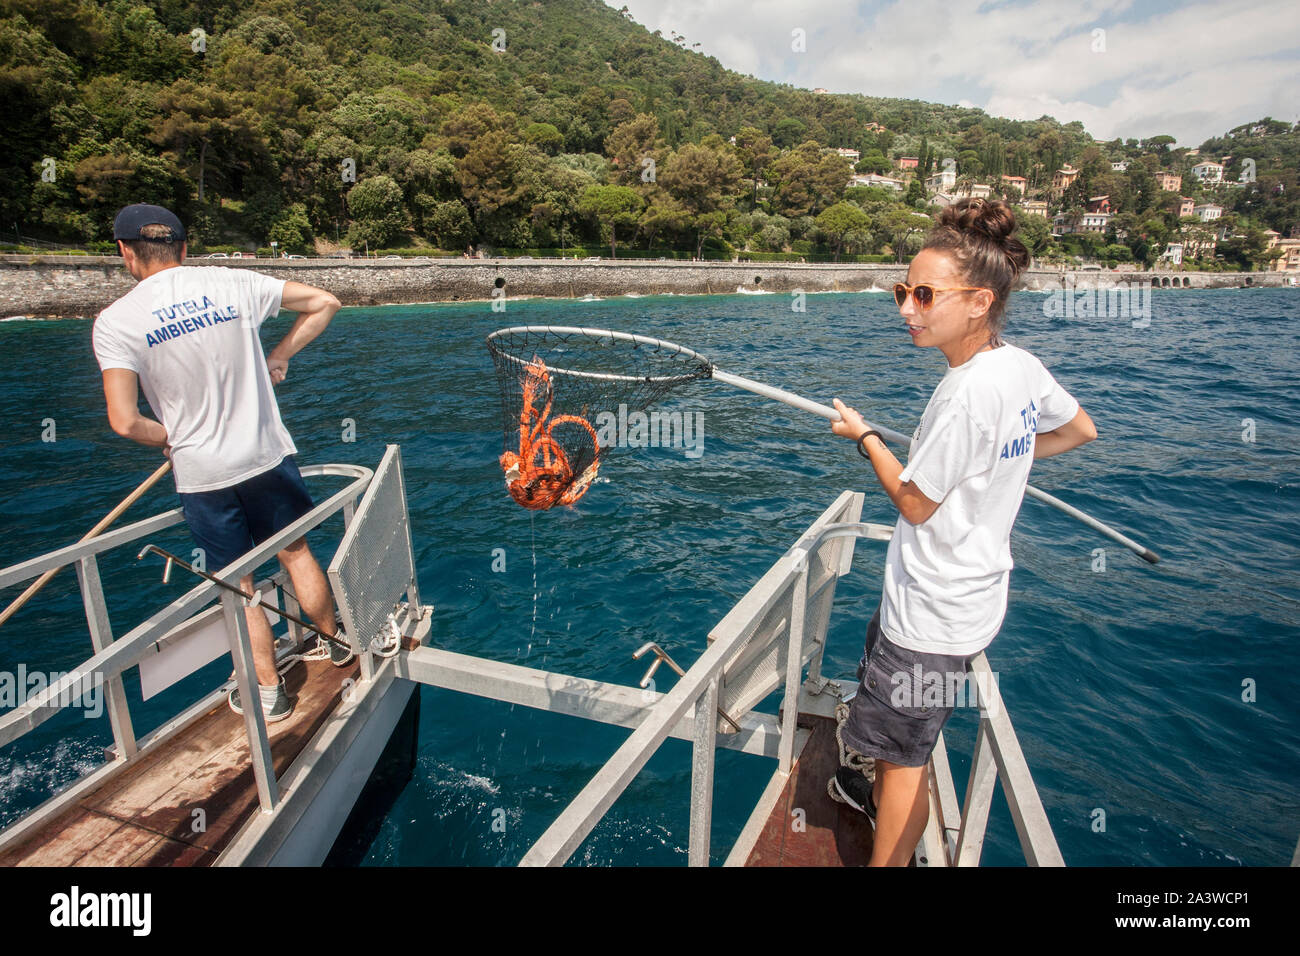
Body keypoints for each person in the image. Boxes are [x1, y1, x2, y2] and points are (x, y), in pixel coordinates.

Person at [827, 198, 1097, 865]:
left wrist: (864, 438)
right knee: (908, 750)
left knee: (899, 763)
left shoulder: (965, 393)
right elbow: (1076, 430)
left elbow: (916, 504)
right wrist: (995, 467)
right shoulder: (1020, 367)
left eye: (923, 294)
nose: (906, 308)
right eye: (902, 291)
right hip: (972, 605)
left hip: (928, 617)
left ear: (977, 302)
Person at [93, 203, 351, 724]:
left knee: (239, 581)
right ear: (184, 248)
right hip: (265, 454)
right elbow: (325, 302)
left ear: (124, 253)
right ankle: (336, 646)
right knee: (296, 553)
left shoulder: (115, 322)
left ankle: (270, 691)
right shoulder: (230, 282)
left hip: (202, 473)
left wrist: (169, 438)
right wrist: (279, 356)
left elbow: (124, 421)